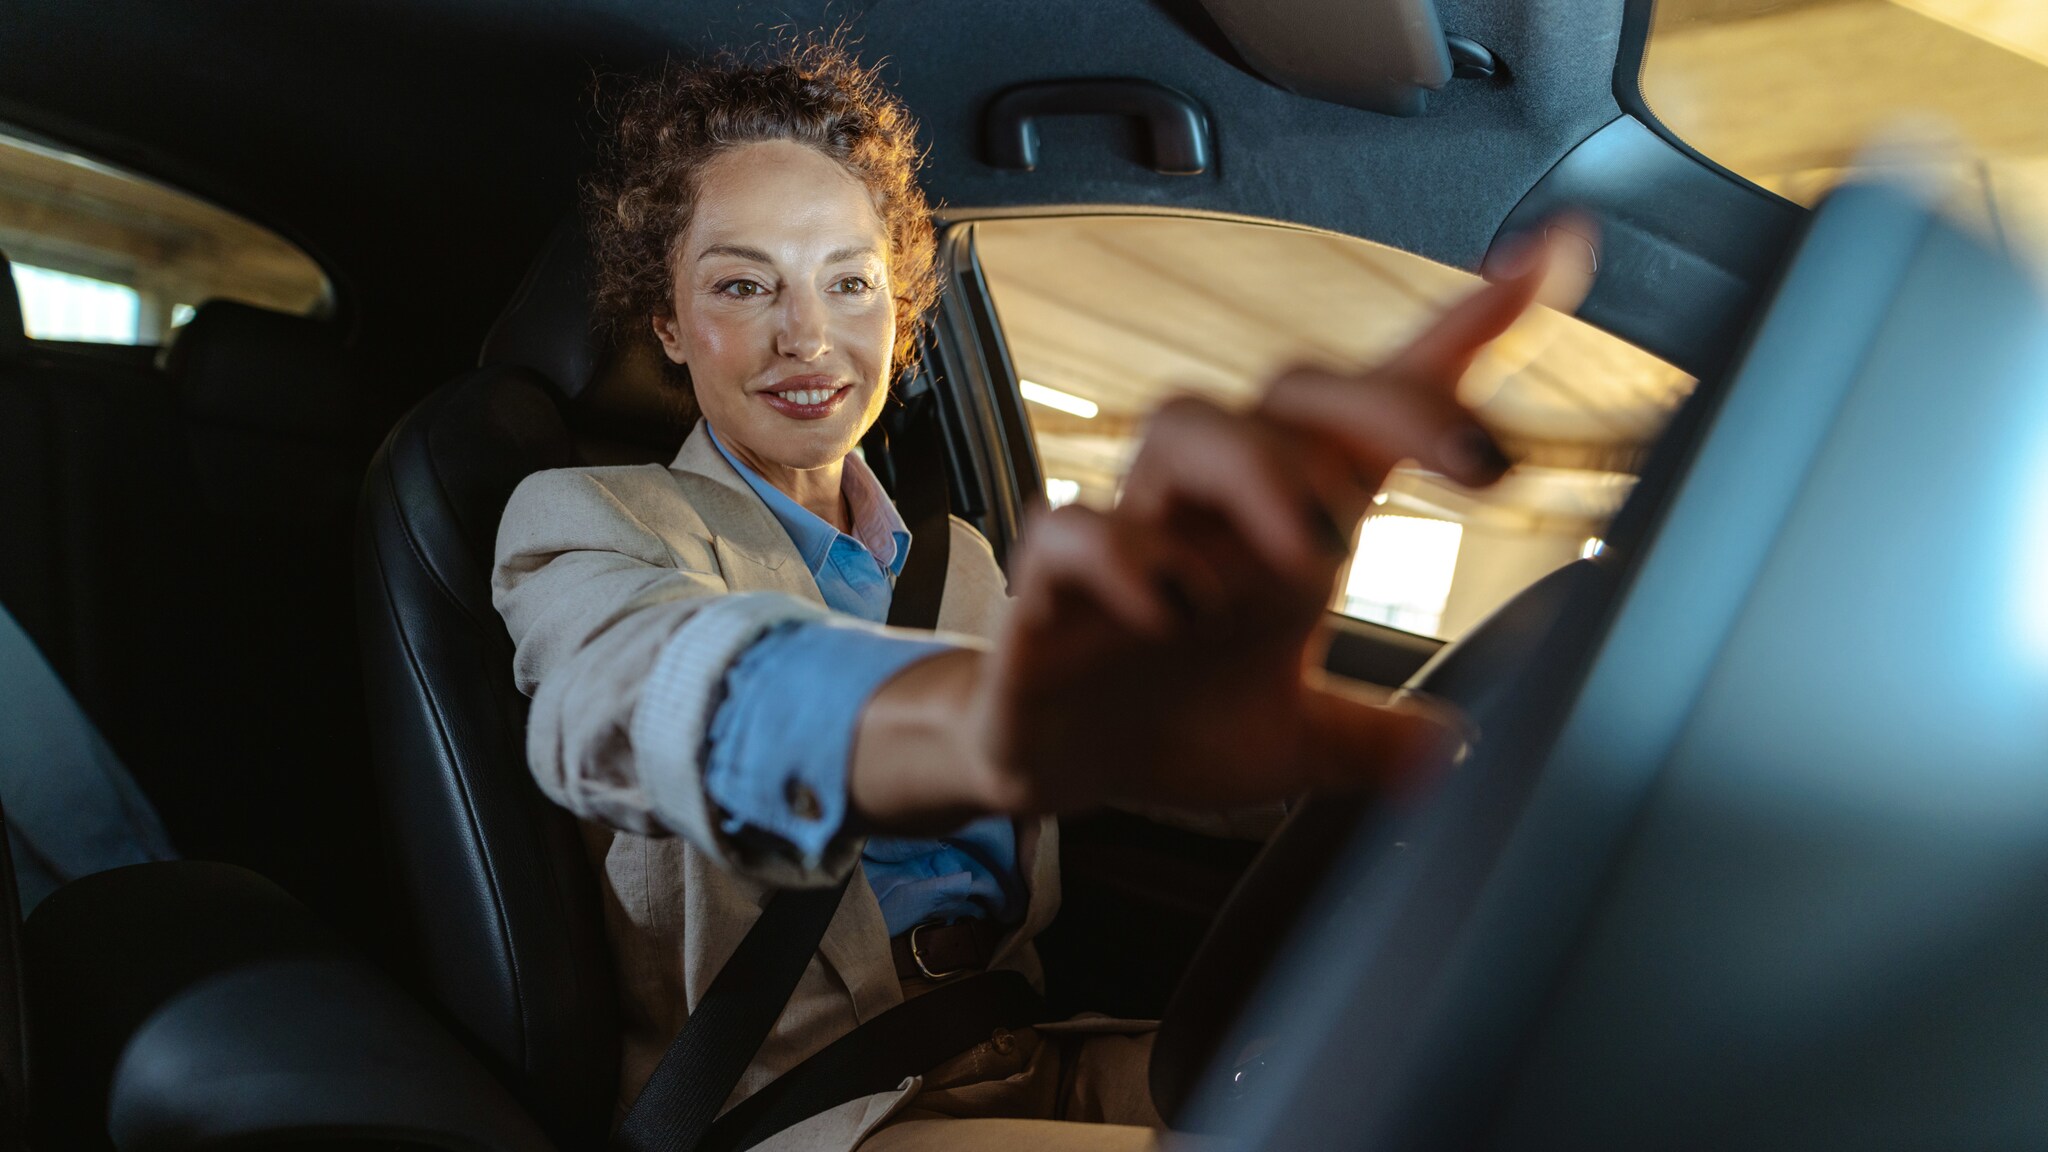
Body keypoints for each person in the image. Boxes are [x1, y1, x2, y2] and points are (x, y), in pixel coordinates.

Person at [492, 38, 1575, 1152]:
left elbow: (1117, 746)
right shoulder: (590, 515)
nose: (807, 336)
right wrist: (969, 721)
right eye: (741, 284)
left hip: (1028, 1050)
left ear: (898, 307)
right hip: (820, 1111)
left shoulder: (958, 560)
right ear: (667, 323)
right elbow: (628, 694)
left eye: (849, 282)